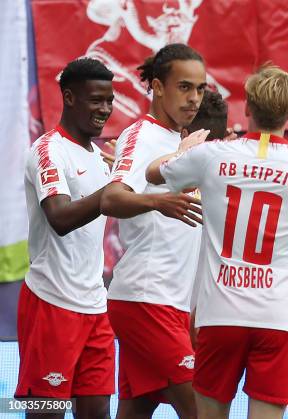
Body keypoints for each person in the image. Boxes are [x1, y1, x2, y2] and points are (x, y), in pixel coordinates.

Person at [145, 64, 288, 419]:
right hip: (277, 320)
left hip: (219, 316)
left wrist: (182, 150)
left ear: (247, 107)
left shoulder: (210, 155)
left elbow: (153, 173)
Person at [99, 43, 206, 419]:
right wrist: (160, 202)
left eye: (200, 89)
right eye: (184, 87)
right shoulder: (142, 136)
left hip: (169, 303)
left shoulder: (180, 142)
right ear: (158, 87)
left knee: (135, 411)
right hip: (146, 299)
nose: (194, 98)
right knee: (203, 410)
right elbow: (111, 199)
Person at [15, 58, 115, 419]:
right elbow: (58, 217)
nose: (105, 109)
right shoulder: (48, 150)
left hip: (95, 305)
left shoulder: (101, 159)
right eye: (95, 100)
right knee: (47, 412)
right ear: (69, 98)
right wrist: (112, 191)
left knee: (97, 411)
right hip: (51, 303)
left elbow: (117, 201)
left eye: (109, 100)